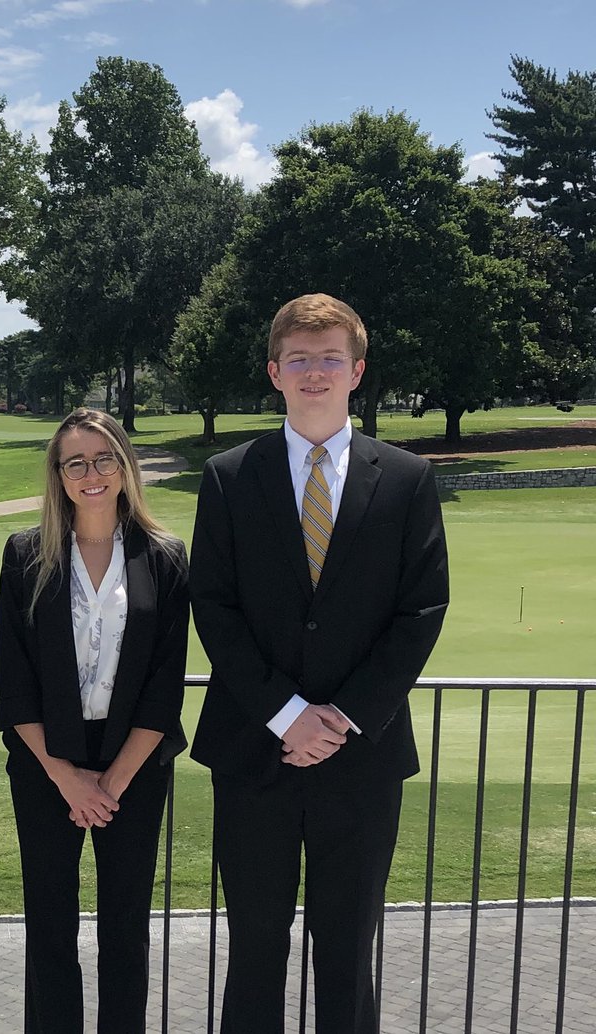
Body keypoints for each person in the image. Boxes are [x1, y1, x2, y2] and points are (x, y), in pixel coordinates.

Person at [189, 293, 450, 1033]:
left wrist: (340, 717)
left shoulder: (404, 480)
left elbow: (422, 610)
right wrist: (285, 715)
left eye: (330, 357)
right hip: (253, 754)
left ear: (357, 370)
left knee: (345, 950)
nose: (314, 372)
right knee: (255, 949)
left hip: (362, 759)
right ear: (274, 371)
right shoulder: (229, 477)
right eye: (299, 358)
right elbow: (215, 608)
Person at [0, 407, 189, 1034]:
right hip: (47, 761)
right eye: (75, 462)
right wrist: (69, 779)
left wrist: (112, 782)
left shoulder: (165, 557)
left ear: (126, 466)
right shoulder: (27, 553)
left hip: (135, 762)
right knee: (50, 926)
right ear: (59, 475)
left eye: (104, 458)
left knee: (125, 928)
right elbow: (17, 684)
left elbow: (165, 683)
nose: (91, 473)